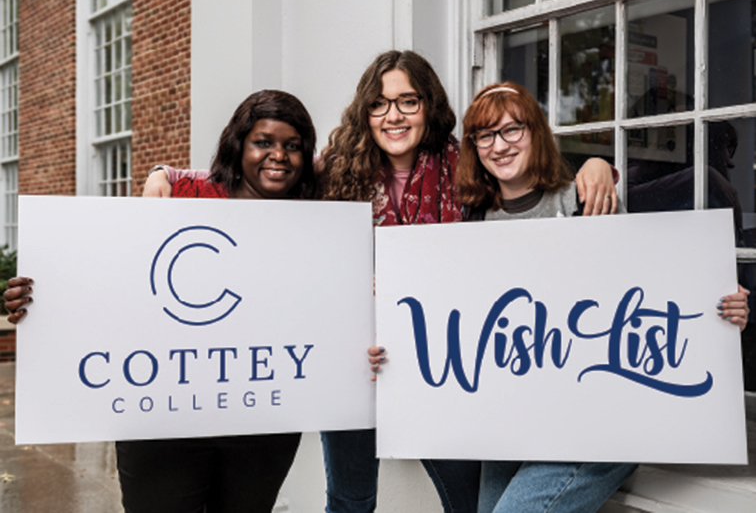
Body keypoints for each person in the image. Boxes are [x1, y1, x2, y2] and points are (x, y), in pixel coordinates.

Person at [139, 50, 619, 513]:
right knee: (350, 499)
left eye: (408, 101)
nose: (394, 115)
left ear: (427, 107)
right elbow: (260, 175)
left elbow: (525, 180)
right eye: (379, 104)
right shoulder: (336, 167)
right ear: (365, 112)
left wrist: (596, 168)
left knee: (467, 498)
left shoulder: (463, 165)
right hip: (354, 361)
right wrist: (169, 175)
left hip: (439, 363)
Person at [4, 89, 318, 513]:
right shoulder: (189, 193)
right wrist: (43, 298)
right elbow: (113, 272)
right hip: (161, 417)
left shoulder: (318, 216)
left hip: (258, 420)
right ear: (239, 144)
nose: (278, 155)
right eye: (263, 141)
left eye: (292, 146)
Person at [452, 81, 750, 513]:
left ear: (536, 132)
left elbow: (647, 293)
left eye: (513, 129)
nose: (499, 145)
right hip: (517, 421)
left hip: (600, 423)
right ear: (474, 146)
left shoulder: (584, 200)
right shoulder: (474, 221)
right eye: (485, 134)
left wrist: (717, 306)